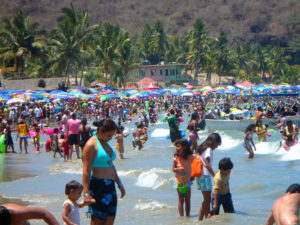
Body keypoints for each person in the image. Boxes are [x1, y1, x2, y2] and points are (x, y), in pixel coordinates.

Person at [82, 118, 125, 225]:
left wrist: (119, 183)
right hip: (97, 187)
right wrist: (86, 193)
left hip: (110, 186)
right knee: (98, 220)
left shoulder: (105, 142)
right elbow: (86, 171)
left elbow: (110, 164)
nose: (111, 138)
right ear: (100, 131)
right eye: (109, 135)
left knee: (110, 219)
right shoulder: (91, 145)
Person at [195, 133, 222, 221]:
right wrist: (215, 176)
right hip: (205, 175)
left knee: (206, 199)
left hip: (199, 175)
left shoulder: (202, 148)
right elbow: (207, 164)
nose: (217, 147)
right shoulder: (209, 149)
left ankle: (200, 219)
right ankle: (207, 219)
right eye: (217, 144)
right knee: (207, 199)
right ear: (214, 142)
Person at [172, 139, 195, 217]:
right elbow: (173, 169)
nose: (176, 148)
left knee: (187, 200)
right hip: (179, 182)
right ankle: (182, 218)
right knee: (181, 199)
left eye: (178, 146)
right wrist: (178, 170)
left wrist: (194, 175)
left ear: (185, 147)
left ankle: (187, 217)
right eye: (176, 147)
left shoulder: (191, 157)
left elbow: (197, 165)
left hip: (188, 181)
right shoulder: (176, 157)